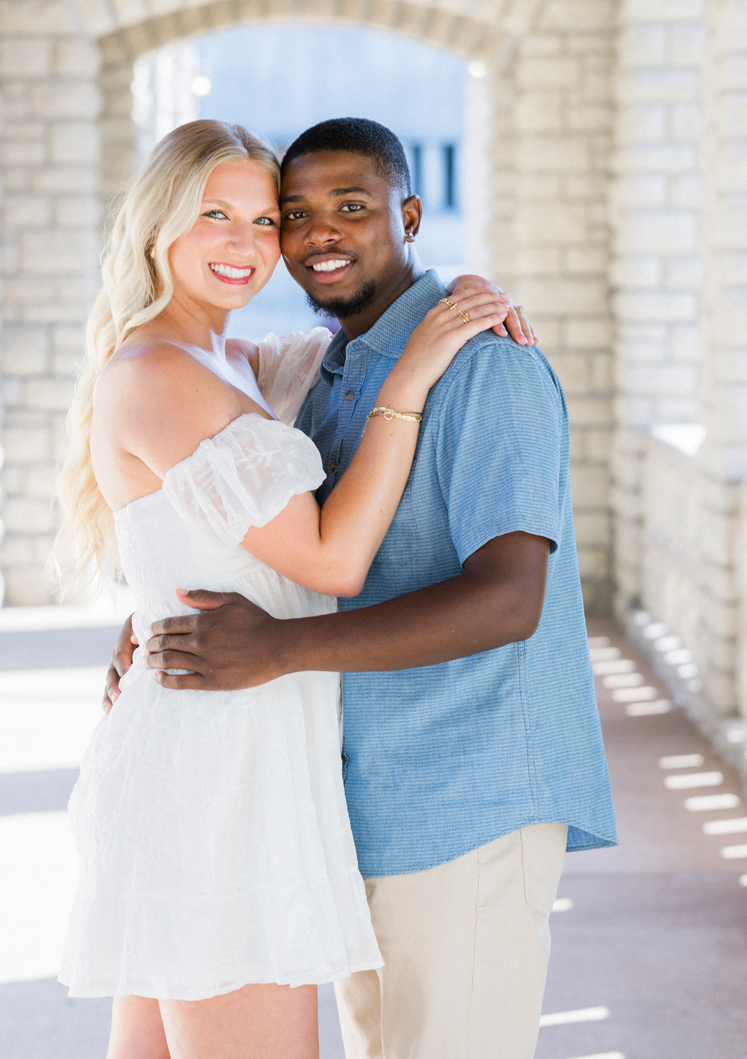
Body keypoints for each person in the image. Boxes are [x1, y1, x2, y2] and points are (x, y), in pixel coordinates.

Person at [111, 118, 618, 1059]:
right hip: (353, 802)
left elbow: (512, 598)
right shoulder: (320, 372)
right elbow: (219, 514)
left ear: (411, 214)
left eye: (351, 206)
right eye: (292, 214)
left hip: (470, 794)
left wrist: (278, 647)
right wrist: (156, 602)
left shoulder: (486, 363)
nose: (314, 234)